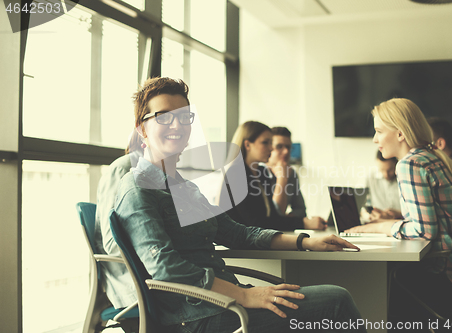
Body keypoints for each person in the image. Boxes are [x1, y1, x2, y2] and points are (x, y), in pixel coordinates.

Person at [113, 77, 366, 333]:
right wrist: (244, 296)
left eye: (183, 116)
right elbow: (166, 269)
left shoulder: (183, 186)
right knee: (336, 301)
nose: (177, 124)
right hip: (197, 316)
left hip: (225, 302)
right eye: (163, 116)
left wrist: (305, 242)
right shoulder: (137, 188)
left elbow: (238, 232)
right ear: (141, 128)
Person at [345, 98, 452, 323]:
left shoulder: (410, 164)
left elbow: (425, 232)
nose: (375, 139)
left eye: (378, 131)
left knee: (372, 281)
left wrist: (380, 227)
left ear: (400, 134)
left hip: (442, 273)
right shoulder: (434, 156)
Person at [221, 121, 327, 231]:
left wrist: (296, 222)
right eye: (266, 143)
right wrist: (302, 223)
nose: (271, 148)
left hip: (258, 240)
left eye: (271, 143)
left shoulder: (259, 173)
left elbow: (272, 217)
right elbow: (257, 224)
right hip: (242, 244)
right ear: (247, 145)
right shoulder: (236, 174)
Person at [95, 131, 143, 308]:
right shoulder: (123, 169)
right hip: (130, 275)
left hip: (151, 270)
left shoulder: (161, 173)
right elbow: (112, 243)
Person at [266, 126, 306, 217]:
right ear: (269, 148)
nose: (286, 151)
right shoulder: (257, 172)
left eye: (288, 147)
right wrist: (282, 178)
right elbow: (274, 215)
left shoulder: (291, 173)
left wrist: (286, 219)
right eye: (279, 146)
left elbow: (301, 210)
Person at [361, 150, 402, 222]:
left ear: (396, 163)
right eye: (382, 170)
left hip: (401, 221)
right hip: (377, 222)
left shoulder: (404, 177)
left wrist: (398, 214)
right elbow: (361, 207)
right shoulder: (370, 178)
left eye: (390, 170)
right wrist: (368, 216)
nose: (386, 174)